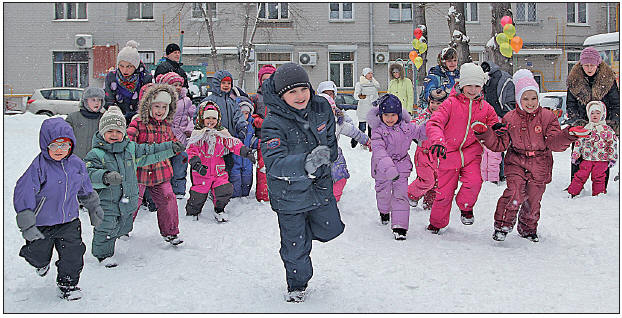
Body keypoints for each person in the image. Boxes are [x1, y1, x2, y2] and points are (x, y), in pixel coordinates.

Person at [260, 62, 345, 303]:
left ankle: (302, 235)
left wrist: (329, 153)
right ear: (281, 95)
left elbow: (329, 138)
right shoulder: (273, 123)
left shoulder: (320, 107)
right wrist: (305, 163)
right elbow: (275, 163)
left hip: (319, 187)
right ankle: (297, 285)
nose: (300, 97)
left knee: (332, 229)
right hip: (289, 195)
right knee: (295, 247)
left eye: (303, 89)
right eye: (292, 92)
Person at [475, 69, 588, 242]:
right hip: (516, 161)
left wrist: (568, 134)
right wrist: (486, 134)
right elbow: (500, 144)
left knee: (533, 199)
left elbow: (554, 142)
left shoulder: (548, 117)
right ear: (519, 99)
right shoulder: (510, 118)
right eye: (525, 99)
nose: (530, 103)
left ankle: (528, 228)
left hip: (540, 163)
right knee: (514, 193)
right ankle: (502, 225)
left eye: (533, 98)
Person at [13, 118, 104, 301]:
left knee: (74, 254)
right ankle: (39, 262)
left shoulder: (76, 164)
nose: (60, 150)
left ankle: (68, 285)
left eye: (65, 145)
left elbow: (85, 187)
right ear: (45, 144)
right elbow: (24, 191)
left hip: (69, 221)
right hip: (43, 223)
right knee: (38, 254)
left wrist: (93, 207)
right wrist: (27, 222)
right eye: (54, 145)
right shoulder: (39, 166)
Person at [84, 106, 183, 266]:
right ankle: (103, 255)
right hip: (106, 202)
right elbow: (87, 175)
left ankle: (117, 236)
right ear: (102, 133)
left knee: (123, 224)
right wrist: (104, 177)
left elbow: (150, 151)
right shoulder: (97, 154)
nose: (114, 135)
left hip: (127, 198)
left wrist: (170, 148)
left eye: (118, 131)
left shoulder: (130, 149)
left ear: (123, 132)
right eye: (110, 132)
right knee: (106, 228)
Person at [425, 63, 499, 234]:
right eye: (469, 85)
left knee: (474, 183)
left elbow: (493, 121)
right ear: (461, 84)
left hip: (471, 153)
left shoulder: (485, 107)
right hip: (448, 153)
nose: (473, 90)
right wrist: (437, 140)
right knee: (444, 192)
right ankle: (437, 222)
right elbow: (435, 123)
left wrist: (496, 127)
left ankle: (465, 206)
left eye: (477, 86)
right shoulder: (450, 104)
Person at [127, 84, 184, 245]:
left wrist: (177, 146)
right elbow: (129, 143)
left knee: (168, 199)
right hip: (139, 171)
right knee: (132, 202)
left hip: (160, 171)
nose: (160, 110)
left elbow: (172, 140)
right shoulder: (138, 123)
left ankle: (170, 231)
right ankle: (122, 229)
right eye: (156, 106)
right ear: (148, 106)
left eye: (164, 107)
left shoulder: (166, 125)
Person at [368, 94, 427, 240]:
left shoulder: (406, 128)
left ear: (399, 114)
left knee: (400, 196)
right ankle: (384, 211)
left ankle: (400, 227)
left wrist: (431, 124)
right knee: (383, 194)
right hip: (383, 169)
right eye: (386, 115)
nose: (389, 118)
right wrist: (388, 169)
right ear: (381, 115)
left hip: (401, 166)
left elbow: (420, 133)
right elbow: (379, 151)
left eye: (393, 114)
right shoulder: (378, 131)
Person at [185, 101, 256, 221]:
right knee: (198, 194)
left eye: (214, 118)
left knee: (224, 189)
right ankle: (193, 212)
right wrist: (196, 164)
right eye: (208, 118)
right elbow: (191, 150)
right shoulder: (198, 134)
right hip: (202, 170)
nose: (211, 121)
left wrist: (245, 152)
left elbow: (233, 143)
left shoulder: (221, 133)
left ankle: (219, 209)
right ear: (202, 118)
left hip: (218, 169)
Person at [566, 46, 620, 185]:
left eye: (592, 65)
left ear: (598, 65)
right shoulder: (574, 80)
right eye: (586, 65)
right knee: (577, 154)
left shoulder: (608, 80)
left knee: (603, 155)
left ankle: (602, 185)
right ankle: (575, 183)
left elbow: (616, 103)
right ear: (581, 65)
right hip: (582, 124)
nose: (589, 68)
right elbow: (570, 104)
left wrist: (612, 122)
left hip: (603, 124)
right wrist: (576, 122)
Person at [317, 93, 371, 202]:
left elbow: (354, 132)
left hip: (335, 155)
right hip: (316, 157)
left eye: (331, 110)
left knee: (340, 177)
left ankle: (335, 197)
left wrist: (367, 141)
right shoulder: (310, 124)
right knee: (318, 180)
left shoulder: (338, 123)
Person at [155, 72, 196, 199]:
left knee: (180, 164)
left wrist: (189, 129)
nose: (178, 87)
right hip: (165, 136)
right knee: (166, 164)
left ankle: (178, 190)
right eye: (174, 85)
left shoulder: (186, 100)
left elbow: (193, 116)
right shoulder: (163, 100)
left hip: (180, 136)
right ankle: (166, 189)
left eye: (179, 85)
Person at [201, 70, 248, 176]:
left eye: (229, 83)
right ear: (217, 84)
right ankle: (212, 187)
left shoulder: (232, 102)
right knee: (213, 166)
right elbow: (199, 117)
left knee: (227, 166)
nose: (226, 85)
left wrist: (241, 127)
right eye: (223, 83)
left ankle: (225, 186)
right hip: (212, 141)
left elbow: (238, 115)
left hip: (227, 141)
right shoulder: (209, 101)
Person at [407, 88, 447, 210]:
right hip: (424, 153)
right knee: (427, 180)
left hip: (438, 154)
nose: (434, 106)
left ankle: (429, 204)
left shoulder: (447, 116)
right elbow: (414, 124)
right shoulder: (425, 115)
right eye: (432, 103)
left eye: (438, 103)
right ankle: (409, 195)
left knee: (437, 181)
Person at [567, 101, 618, 197]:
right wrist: (575, 156)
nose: (595, 115)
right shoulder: (586, 128)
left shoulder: (607, 130)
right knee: (580, 175)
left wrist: (612, 158)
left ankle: (598, 195)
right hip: (587, 159)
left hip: (601, 159)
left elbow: (612, 144)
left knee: (599, 177)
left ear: (602, 115)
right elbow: (579, 143)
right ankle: (572, 192)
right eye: (592, 113)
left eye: (598, 113)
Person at [481, 60, 517, 183]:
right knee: (490, 152)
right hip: (494, 118)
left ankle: (490, 179)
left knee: (490, 152)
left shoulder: (497, 79)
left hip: (492, 119)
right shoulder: (500, 77)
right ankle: (490, 179)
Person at [104, 40, 152, 123]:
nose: (125, 70)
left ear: (135, 66)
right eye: (121, 66)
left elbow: (148, 102)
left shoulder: (145, 78)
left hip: (139, 119)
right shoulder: (111, 77)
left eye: (129, 66)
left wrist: (138, 115)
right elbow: (108, 99)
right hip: (116, 119)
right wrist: (114, 111)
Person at [250, 64, 277, 202]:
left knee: (278, 165)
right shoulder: (256, 98)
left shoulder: (279, 97)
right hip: (262, 137)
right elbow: (251, 115)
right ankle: (263, 195)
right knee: (263, 166)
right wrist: (261, 122)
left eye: (270, 78)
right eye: (264, 79)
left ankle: (278, 192)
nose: (267, 82)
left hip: (278, 137)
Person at [230, 96, 260, 198]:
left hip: (247, 158)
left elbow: (251, 140)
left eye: (246, 113)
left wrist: (258, 143)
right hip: (236, 157)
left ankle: (245, 194)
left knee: (247, 176)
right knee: (236, 177)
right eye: (242, 113)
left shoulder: (250, 126)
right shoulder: (234, 126)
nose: (244, 116)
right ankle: (235, 195)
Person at [65, 87, 105, 159]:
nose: (97, 103)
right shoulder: (73, 118)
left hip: (96, 162)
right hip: (75, 160)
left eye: (99, 100)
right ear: (85, 101)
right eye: (93, 100)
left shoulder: (103, 119)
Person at [352, 67, 380, 148]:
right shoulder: (359, 84)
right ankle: (362, 142)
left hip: (371, 109)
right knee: (362, 128)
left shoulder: (374, 84)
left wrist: (376, 101)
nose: (370, 75)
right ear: (364, 75)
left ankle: (370, 143)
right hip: (363, 109)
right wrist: (360, 96)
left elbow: (376, 96)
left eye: (371, 73)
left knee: (371, 128)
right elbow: (355, 95)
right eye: (368, 73)